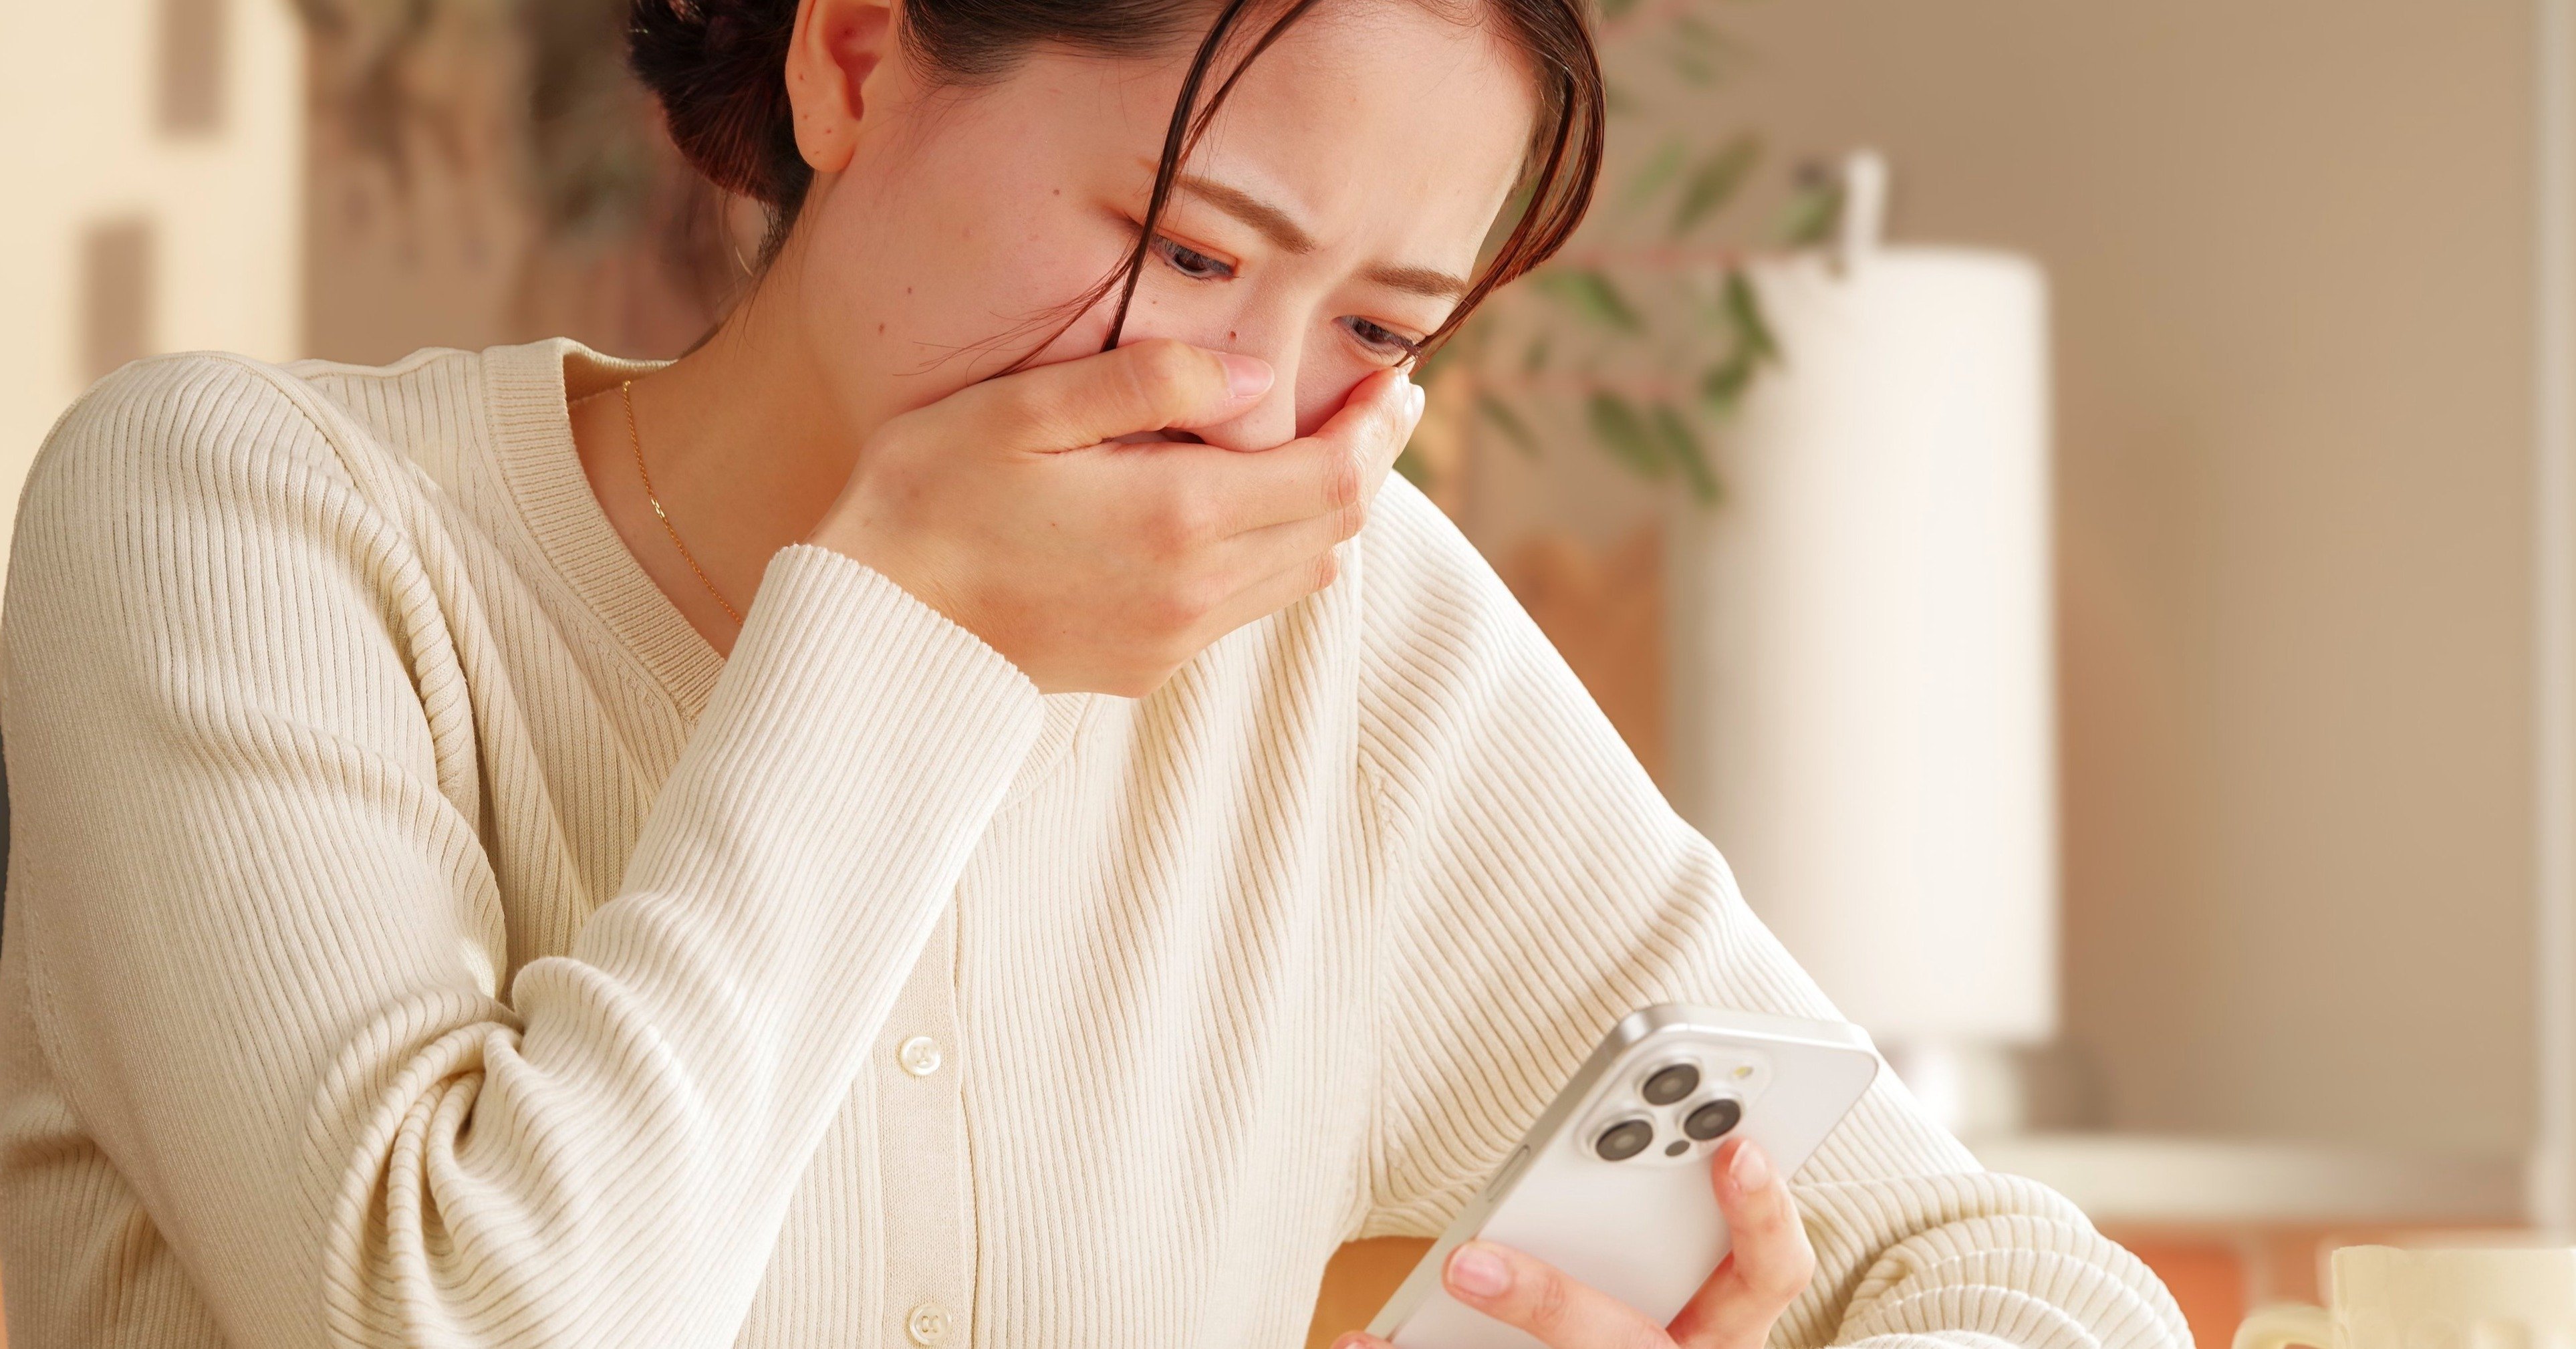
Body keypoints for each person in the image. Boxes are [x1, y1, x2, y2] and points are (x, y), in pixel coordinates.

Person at [0, 1, 2187, 1347]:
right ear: (855, 55)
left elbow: (2019, 1278)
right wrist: (916, 622)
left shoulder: (1345, 640)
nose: (1247, 400)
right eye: (1198, 248)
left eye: (1378, 329)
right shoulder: (243, 521)